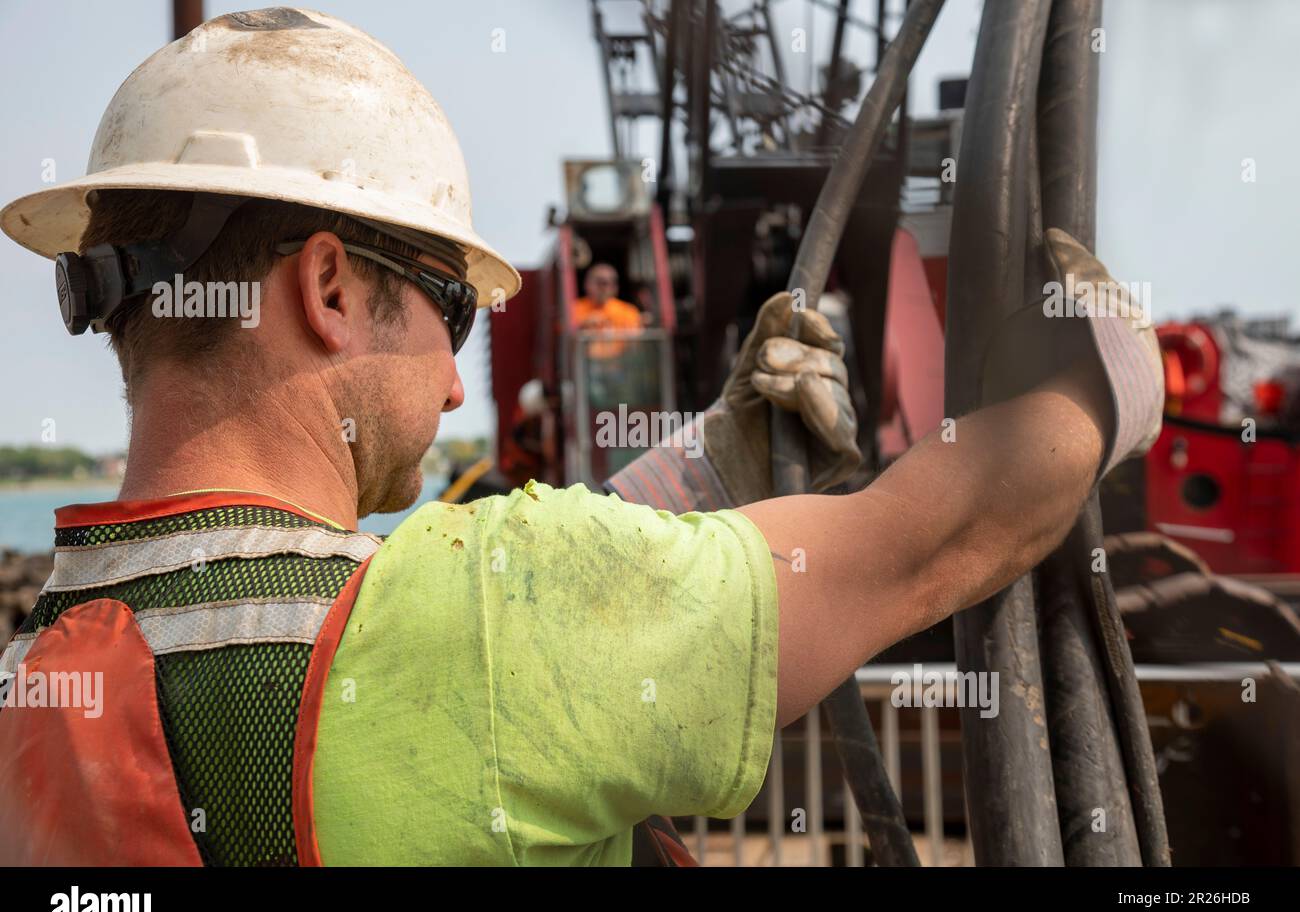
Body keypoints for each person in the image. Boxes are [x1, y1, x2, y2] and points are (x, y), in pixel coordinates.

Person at [0, 7, 1162, 866]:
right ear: (331, 289)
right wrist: (1107, 376)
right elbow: (944, 534)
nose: (459, 388)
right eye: (448, 309)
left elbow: (471, 629)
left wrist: (719, 462)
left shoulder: (39, 693)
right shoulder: (491, 616)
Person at [572, 263, 642, 360]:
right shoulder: (572, 309)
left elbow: (634, 345)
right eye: (599, 282)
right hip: (583, 367)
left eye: (608, 283)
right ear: (586, 284)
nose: (604, 288)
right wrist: (582, 326)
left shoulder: (628, 312)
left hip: (619, 366)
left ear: (615, 287)